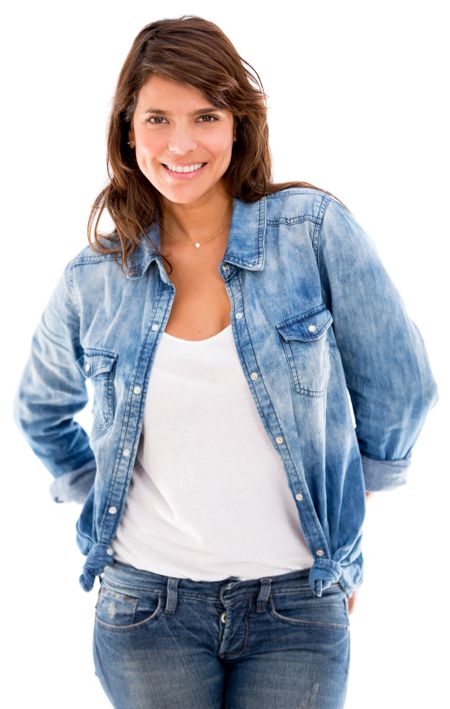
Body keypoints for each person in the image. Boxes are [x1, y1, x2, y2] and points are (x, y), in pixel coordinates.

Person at [13, 15, 437, 709]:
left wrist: (351, 502)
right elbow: (39, 407)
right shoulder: (93, 280)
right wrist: (100, 492)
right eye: (157, 118)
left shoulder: (312, 233)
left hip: (298, 605)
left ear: (238, 124)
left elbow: (402, 385)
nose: (181, 143)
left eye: (205, 115)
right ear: (127, 130)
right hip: (145, 609)